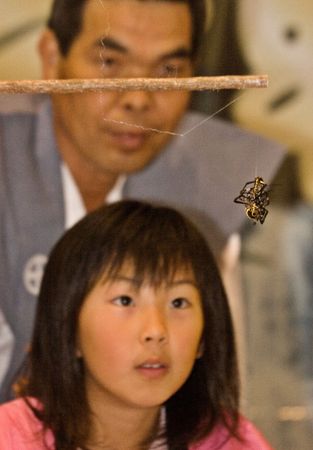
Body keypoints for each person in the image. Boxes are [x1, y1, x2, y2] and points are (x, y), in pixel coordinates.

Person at [0, 0, 285, 400]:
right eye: (109, 63)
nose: (138, 99)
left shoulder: (216, 187)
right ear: (51, 57)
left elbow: (216, 395)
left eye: (168, 70)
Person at [0, 200, 274, 449]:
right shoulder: (11, 438)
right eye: (125, 300)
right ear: (69, 329)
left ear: (204, 337)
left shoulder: (233, 443)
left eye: (178, 303)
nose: (156, 331)